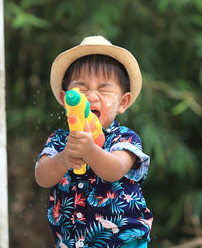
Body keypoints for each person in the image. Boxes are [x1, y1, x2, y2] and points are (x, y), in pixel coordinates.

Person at [35, 36, 153, 248]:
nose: (91, 96)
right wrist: (64, 158)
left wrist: (89, 150)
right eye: (81, 88)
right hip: (70, 242)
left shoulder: (124, 138)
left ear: (123, 102)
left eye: (104, 89)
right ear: (65, 99)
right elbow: (42, 177)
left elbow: (114, 169)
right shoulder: (60, 140)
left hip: (121, 242)